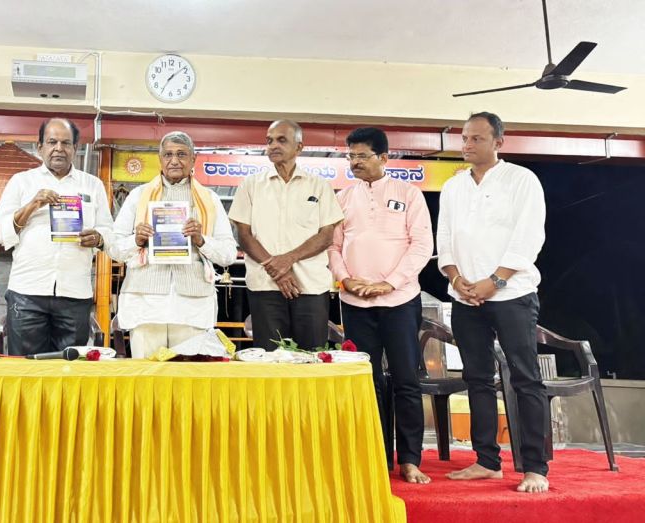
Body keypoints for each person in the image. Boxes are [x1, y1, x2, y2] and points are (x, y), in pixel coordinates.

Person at [438, 112, 550, 493]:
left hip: (512, 295)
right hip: (464, 296)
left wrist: (495, 281)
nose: (467, 145)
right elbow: (445, 240)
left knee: (525, 378)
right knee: (477, 378)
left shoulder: (521, 180)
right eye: (464, 138)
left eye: (476, 139)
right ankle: (487, 461)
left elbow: (528, 237)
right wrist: (457, 280)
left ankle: (535, 468)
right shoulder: (453, 186)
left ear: (498, 142)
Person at [328, 127, 434, 483]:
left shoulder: (408, 194)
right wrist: (346, 279)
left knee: (406, 379)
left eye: (362, 156)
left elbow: (422, 245)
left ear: (384, 158)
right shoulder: (343, 197)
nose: (355, 162)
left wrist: (389, 282)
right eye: (351, 156)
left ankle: (410, 459)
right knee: (365, 381)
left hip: (400, 300)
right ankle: (374, 455)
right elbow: (332, 246)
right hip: (355, 302)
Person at [107, 131, 237, 358]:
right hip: (145, 306)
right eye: (168, 155)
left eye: (181, 154)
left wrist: (201, 240)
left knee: (187, 376)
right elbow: (114, 248)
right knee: (146, 375)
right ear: (160, 159)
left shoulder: (210, 199)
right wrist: (136, 240)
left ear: (193, 159)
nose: (174, 160)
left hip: (192, 307)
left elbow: (228, 254)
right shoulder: (138, 196)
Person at [0, 118, 112, 355]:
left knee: (70, 367)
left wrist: (98, 238)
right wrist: (32, 204)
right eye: (52, 142)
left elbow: (109, 232)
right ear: (40, 147)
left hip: (75, 293)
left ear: (75, 148)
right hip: (27, 293)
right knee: (25, 365)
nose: (59, 148)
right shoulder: (22, 182)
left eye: (66, 143)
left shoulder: (93, 185)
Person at [228, 120, 343, 351]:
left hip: (310, 287)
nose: (273, 145)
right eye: (269, 141)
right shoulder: (250, 185)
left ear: (299, 147)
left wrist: (286, 260)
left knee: (312, 357)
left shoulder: (319, 186)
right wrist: (276, 269)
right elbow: (244, 235)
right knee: (270, 358)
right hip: (265, 286)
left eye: (281, 140)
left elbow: (326, 236)